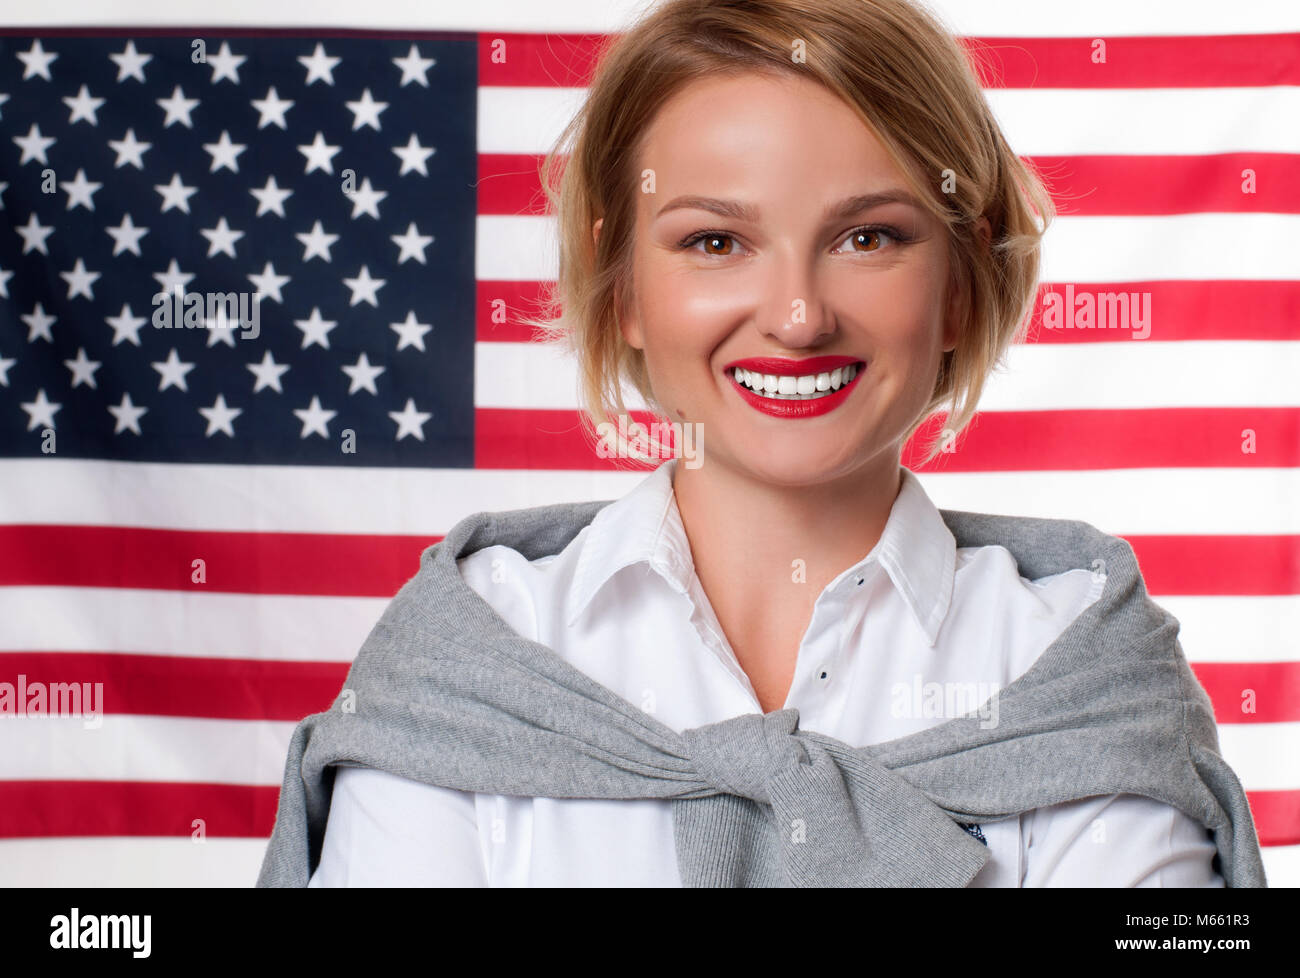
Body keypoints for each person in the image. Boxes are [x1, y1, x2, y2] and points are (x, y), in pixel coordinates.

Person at [305, 0, 1230, 886]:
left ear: (959, 285)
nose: (797, 316)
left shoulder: (1078, 668)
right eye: (715, 242)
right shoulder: (476, 652)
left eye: (868, 236)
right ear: (621, 284)